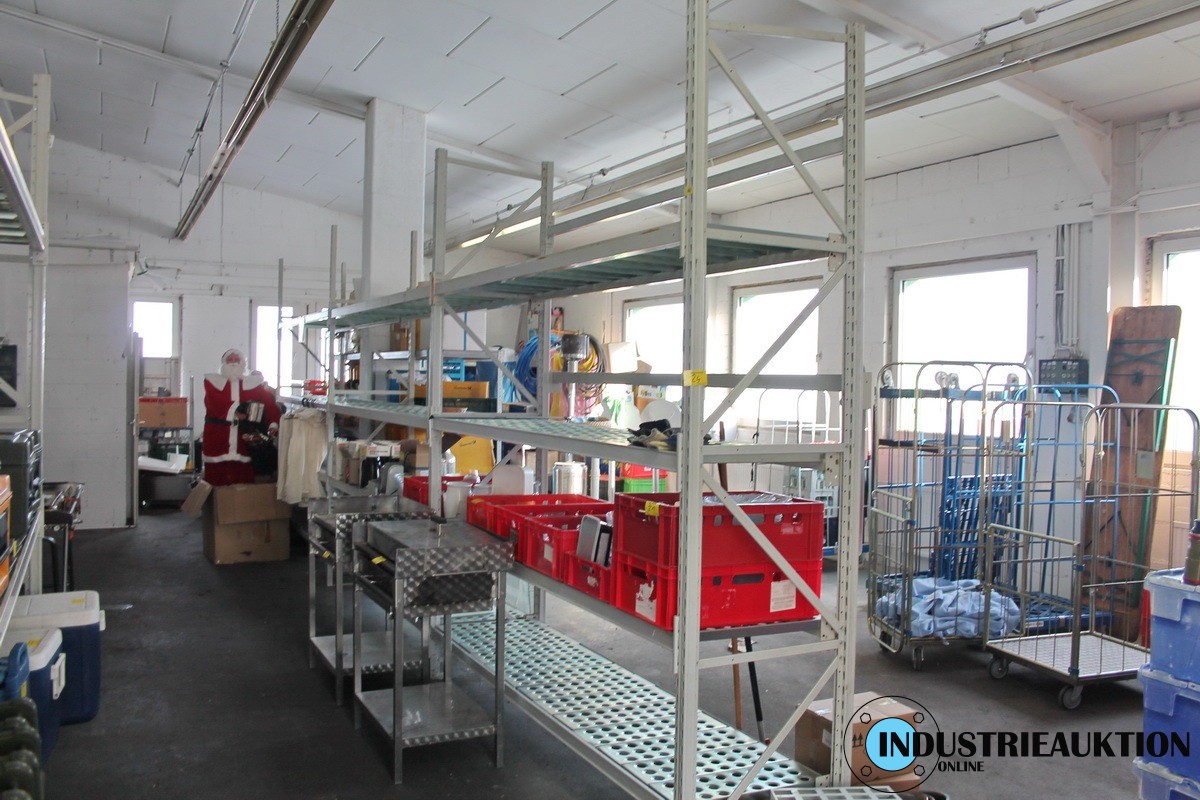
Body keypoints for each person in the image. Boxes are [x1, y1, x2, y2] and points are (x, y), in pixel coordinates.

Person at [202, 349, 280, 486]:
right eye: (229, 360)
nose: (233, 363)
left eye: (236, 360)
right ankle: (216, 498)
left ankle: (241, 498)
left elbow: (269, 403)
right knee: (217, 474)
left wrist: (273, 424)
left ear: (242, 363)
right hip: (218, 435)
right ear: (223, 363)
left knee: (241, 474)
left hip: (241, 438)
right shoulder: (212, 382)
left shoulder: (252, 384)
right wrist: (236, 412)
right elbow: (213, 403)